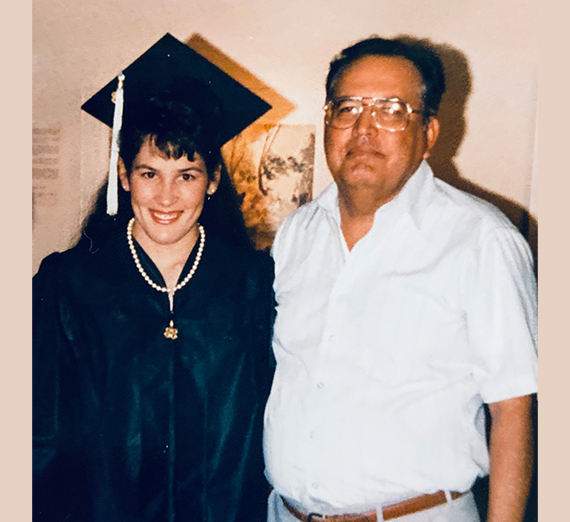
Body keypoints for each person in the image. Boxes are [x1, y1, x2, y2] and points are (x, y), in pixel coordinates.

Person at [263, 36, 537, 522]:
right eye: (347, 108)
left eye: (391, 110)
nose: (364, 129)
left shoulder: (480, 240)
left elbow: (512, 411)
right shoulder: (297, 234)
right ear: (328, 121)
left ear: (428, 133)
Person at [33, 35, 274, 522]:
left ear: (213, 181)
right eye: (149, 173)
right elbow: (37, 435)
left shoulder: (254, 285)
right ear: (123, 176)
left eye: (187, 174)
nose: (166, 196)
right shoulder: (68, 285)